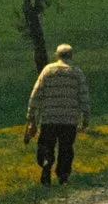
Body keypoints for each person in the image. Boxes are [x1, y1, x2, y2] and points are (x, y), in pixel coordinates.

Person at [25, 42, 90, 184]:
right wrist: (85, 118)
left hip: (49, 118)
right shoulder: (76, 73)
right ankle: (63, 175)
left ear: (57, 55)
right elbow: (84, 97)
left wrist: (31, 116)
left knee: (47, 145)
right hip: (69, 119)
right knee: (66, 148)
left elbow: (36, 93)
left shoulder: (48, 71)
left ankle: (47, 163)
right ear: (71, 56)